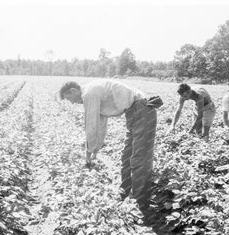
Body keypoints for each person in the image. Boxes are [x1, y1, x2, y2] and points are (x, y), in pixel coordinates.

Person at [59, 79, 163, 213]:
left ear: (73, 90)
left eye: (69, 99)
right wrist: (96, 148)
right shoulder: (92, 92)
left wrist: (88, 150)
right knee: (126, 158)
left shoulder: (89, 93)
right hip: (133, 112)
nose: (72, 103)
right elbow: (101, 123)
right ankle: (124, 194)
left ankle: (140, 205)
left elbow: (91, 123)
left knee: (140, 159)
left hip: (142, 109)